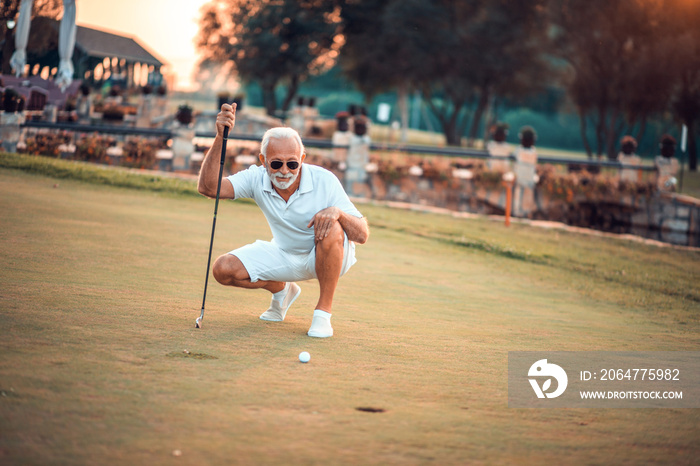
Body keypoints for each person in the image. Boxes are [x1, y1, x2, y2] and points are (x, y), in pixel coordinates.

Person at [197, 103, 370, 338]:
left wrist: (337, 212)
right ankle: (282, 289)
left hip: (326, 255)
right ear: (263, 159)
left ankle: (322, 314)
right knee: (223, 269)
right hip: (284, 254)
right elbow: (209, 187)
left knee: (332, 228)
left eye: (293, 163)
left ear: (302, 158)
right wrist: (220, 136)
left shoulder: (324, 180)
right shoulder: (256, 178)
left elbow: (362, 235)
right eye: (276, 163)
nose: (285, 171)